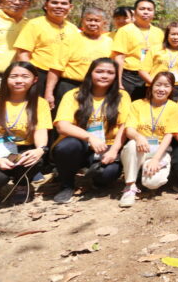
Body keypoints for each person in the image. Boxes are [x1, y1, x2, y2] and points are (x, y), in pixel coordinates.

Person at [51, 58, 131, 204]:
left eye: (110, 73)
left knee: (108, 175)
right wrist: (89, 137)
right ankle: (66, 185)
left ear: (115, 76)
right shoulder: (73, 95)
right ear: (90, 73)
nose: (104, 76)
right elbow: (62, 125)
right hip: (79, 144)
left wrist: (114, 151)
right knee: (68, 146)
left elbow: (124, 126)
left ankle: (94, 177)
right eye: (99, 71)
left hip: (106, 147)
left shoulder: (122, 96)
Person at [0, 62, 51, 203]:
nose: (19, 80)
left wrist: (40, 149)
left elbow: (41, 132)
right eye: (14, 76)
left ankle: (22, 185)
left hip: (23, 151)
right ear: (6, 79)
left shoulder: (40, 103)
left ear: (34, 80)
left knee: (35, 159)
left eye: (25, 76)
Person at [119, 72, 178, 207]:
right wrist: (138, 137)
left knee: (152, 184)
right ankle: (130, 187)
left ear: (171, 89)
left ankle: (145, 169)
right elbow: (129, 129)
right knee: (131, 145)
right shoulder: (137, 104)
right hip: (140, 147)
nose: (161, 89)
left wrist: (155, 159)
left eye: (166, 86)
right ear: (151, 86)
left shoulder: (174, 107)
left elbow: (169, 135)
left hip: (160, 149)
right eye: (158, 84)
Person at [14, 0, 79, 96]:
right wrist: (31, 76)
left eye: (63, 3)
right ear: (46, 5)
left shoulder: (73, 29)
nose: (59, 6)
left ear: (70, 7)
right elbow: (23, 54)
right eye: (54, 2)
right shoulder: (34, 24)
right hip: (38, 75)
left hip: (63, 79)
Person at [45, 7, 113, 109]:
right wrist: (49, 92)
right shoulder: (70, 39)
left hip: (96, 88)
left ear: (104, 23)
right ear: (82, 21)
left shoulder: (110, 42)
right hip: (69, 86)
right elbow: (56, 68)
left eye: (97, 21)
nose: (92, 23)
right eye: (89, 20)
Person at [111, 0, 164, 100]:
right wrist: (118, 82)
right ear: (134, 12)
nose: (146, 12)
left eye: (149, 9)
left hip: (150, 76)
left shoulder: (159, 32)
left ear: (154, 13)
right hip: (129, 76)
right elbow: (119, 58)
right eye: (142, 9)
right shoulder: (125, 30)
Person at [0, 0, 32, 96]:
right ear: (1, 1)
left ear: (29, 5)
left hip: (19, 83)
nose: (17, 2)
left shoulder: (30, 25)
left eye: (23, 0)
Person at [140, 22, 178, 100]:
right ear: (167, 35)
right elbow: (142, 71)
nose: (175, 37)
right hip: (156, 88)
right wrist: (156, 85)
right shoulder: (155, 49)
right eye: (173, 34)